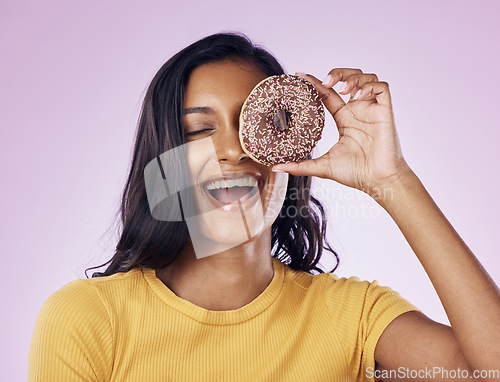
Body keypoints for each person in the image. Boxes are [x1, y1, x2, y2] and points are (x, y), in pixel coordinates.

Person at [28, 32, 500, 382]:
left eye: (263, 125)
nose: (235, 150)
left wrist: (392, 179)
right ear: (164, 163)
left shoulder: (353, 317)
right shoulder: (88, 318)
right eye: (198, 131)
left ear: (291, 155)